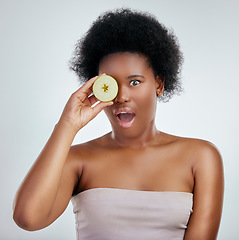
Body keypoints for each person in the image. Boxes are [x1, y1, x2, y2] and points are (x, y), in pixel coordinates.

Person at [13, 8, 224, 240]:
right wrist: (68, 124)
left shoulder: (201, 157)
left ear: (159, 84)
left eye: (135, 81)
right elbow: (27, 219)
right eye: (109, 83)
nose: (122, 96)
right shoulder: (77, 160)